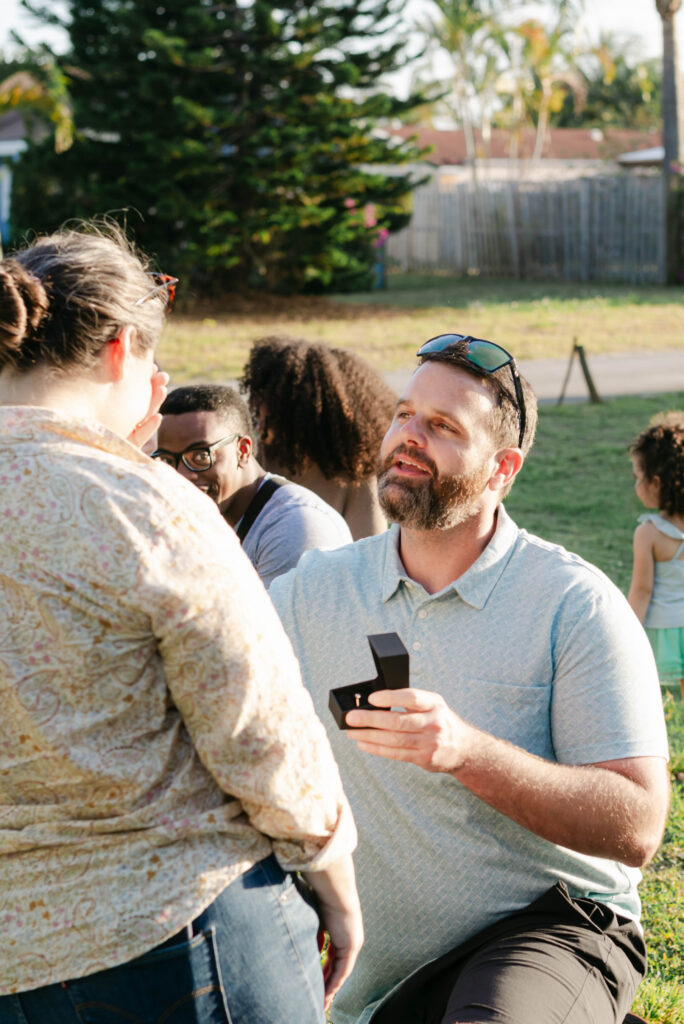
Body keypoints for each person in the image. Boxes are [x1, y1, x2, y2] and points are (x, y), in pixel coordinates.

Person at [0, 225, 362, 1024]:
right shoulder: (143, 504)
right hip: (176, 937)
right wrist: (334, 877)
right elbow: (257, 727)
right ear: (123, 350)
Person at [269, 333, 670, 1024]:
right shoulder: (313, 590)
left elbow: (637, 823)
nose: (408, 437)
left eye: (443, 427)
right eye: (404, 414)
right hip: (382, 976)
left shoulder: (574, 604)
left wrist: (465, 752)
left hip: (551, 926)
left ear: (502, 469)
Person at [155, 384, 352, 587]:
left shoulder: (294, 525)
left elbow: (270, 619)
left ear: (242, 451)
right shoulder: (206, 517)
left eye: (200, 457)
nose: (181, 475)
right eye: (168, 460)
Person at [240, 334, 396, 540]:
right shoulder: (254, 458)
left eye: (272, 406)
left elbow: (365, 554)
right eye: (258, 398)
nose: (257, 411)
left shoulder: (355, 477)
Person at [628, 413, 684, 699]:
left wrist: (625, 633)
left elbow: (641, 590)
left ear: (657, 483)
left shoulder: (649, 533)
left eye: (638, 478)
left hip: (662, 632)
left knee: (646, 695)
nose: (636, 486)